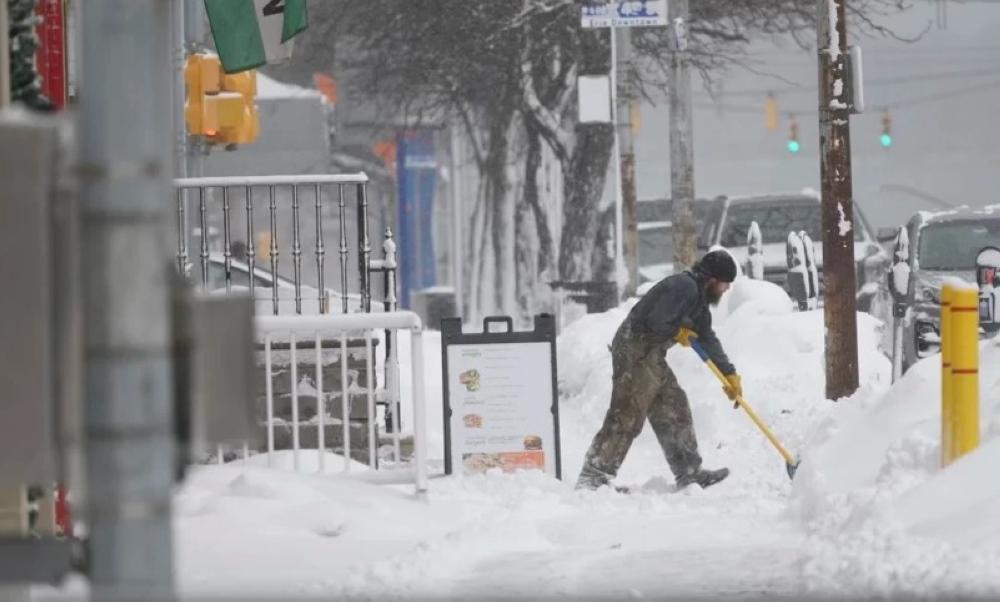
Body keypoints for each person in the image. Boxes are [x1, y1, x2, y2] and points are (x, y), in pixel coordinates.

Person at [576, 249, 742, 492]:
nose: (726, 290)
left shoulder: (698, 299)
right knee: (627, 413)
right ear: (712, 280)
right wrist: (678, 333)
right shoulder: (683, 287)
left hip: (651, 353)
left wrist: (729, 373)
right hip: (634, 348)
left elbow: (706, 336)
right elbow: (656, 321)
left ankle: (689, 473)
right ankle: (594, 477)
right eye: (725, 284)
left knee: (674, 407)